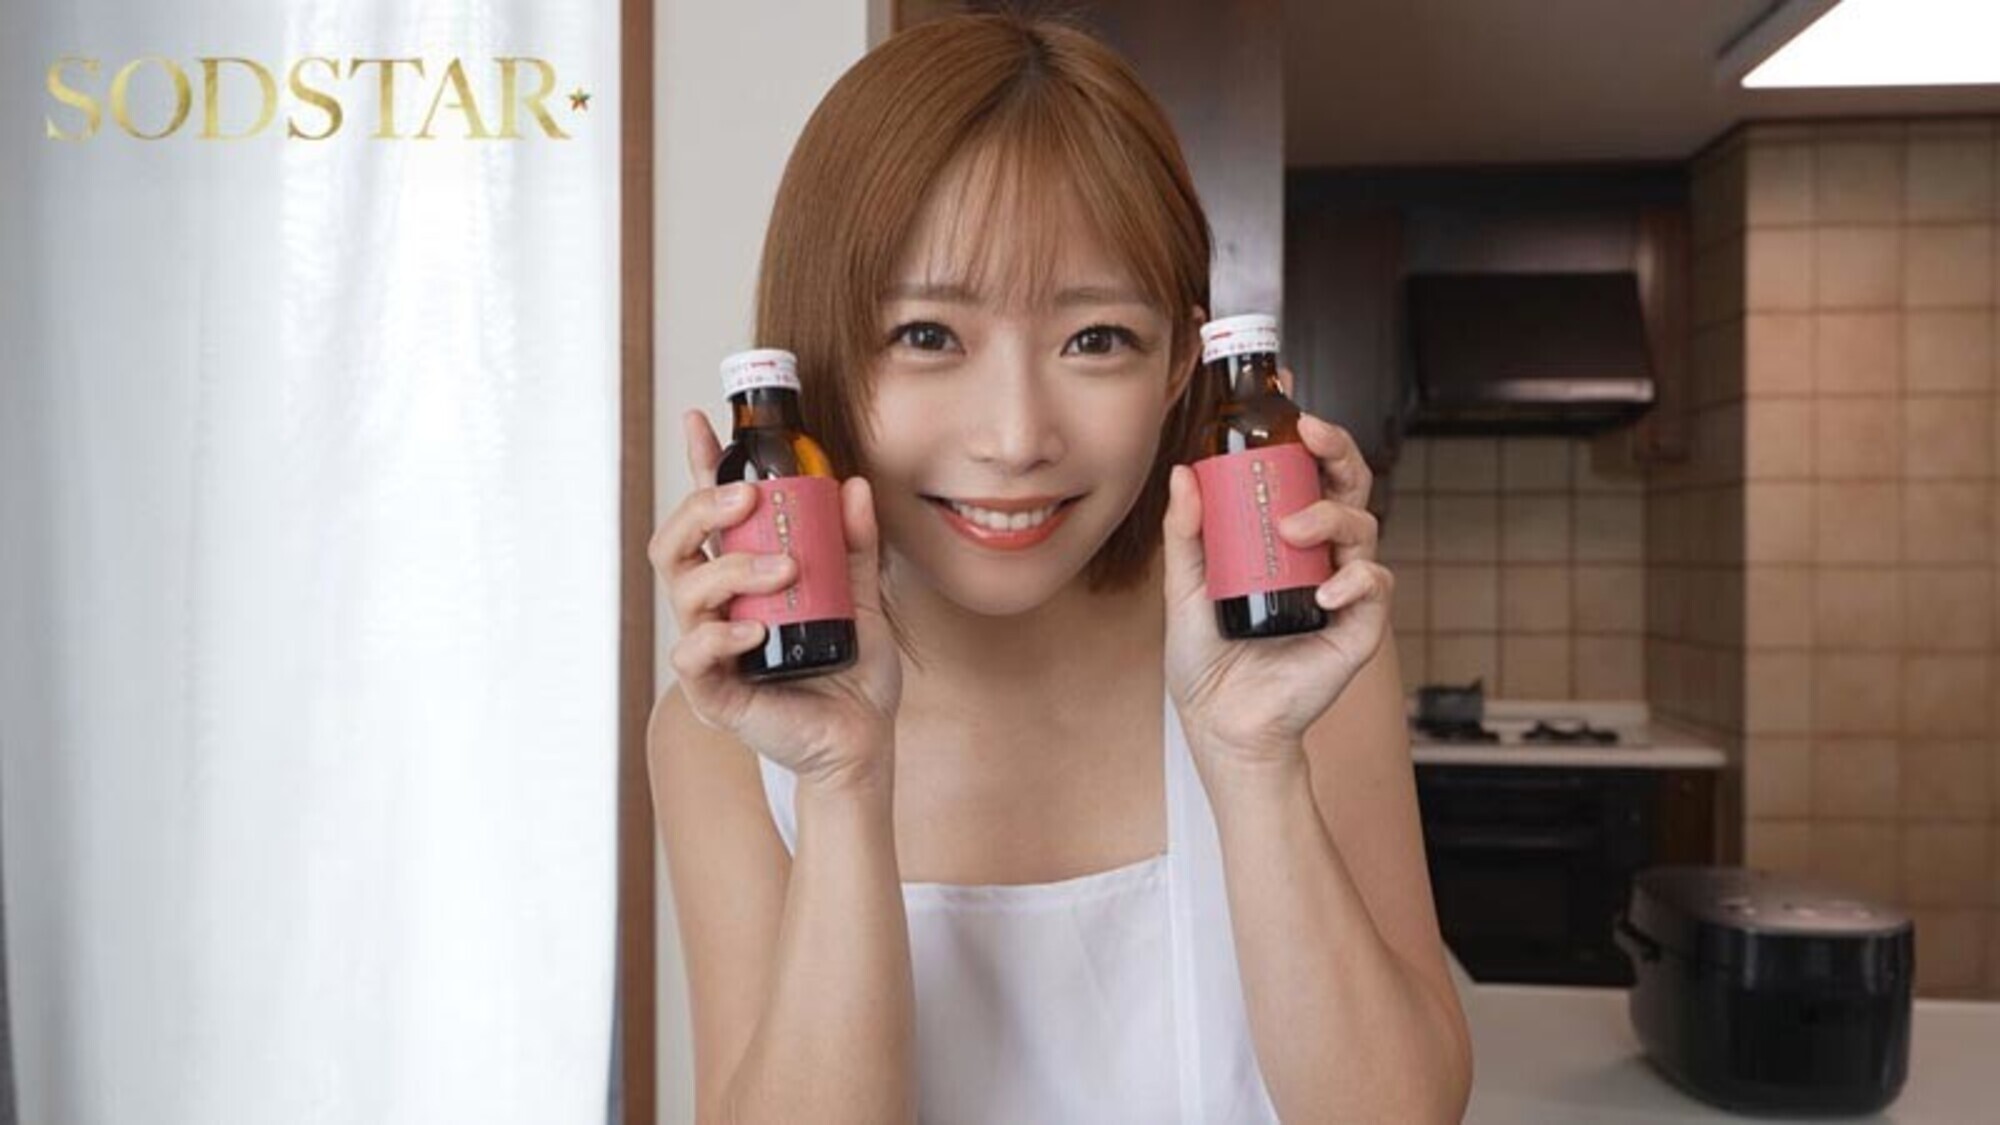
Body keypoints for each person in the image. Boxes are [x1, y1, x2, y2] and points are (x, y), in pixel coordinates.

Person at [650, 10, 1472, 1123]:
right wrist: (841, 784)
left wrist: (1254, 761)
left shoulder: (1298, 667)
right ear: (819, 357)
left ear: (1180, 365)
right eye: (927, 335)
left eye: (1096, 340)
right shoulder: (723, 737)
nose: (1015, 437)